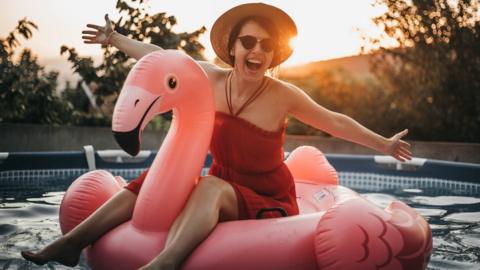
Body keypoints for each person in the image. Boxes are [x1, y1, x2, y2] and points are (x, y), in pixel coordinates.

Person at [21, 3, 412, 270]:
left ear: (274, 54)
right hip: (225, 184)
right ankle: (70, 244)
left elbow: (333, 121)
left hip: (267, 196)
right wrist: (115, 39)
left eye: (266, 45)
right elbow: (160, 56)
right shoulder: (207, 76)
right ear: (232, 47)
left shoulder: (281, 94)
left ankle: (166, 262)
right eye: (248, 42)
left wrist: (385, 144)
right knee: (148, 183)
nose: (258, 51)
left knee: (208, 188)